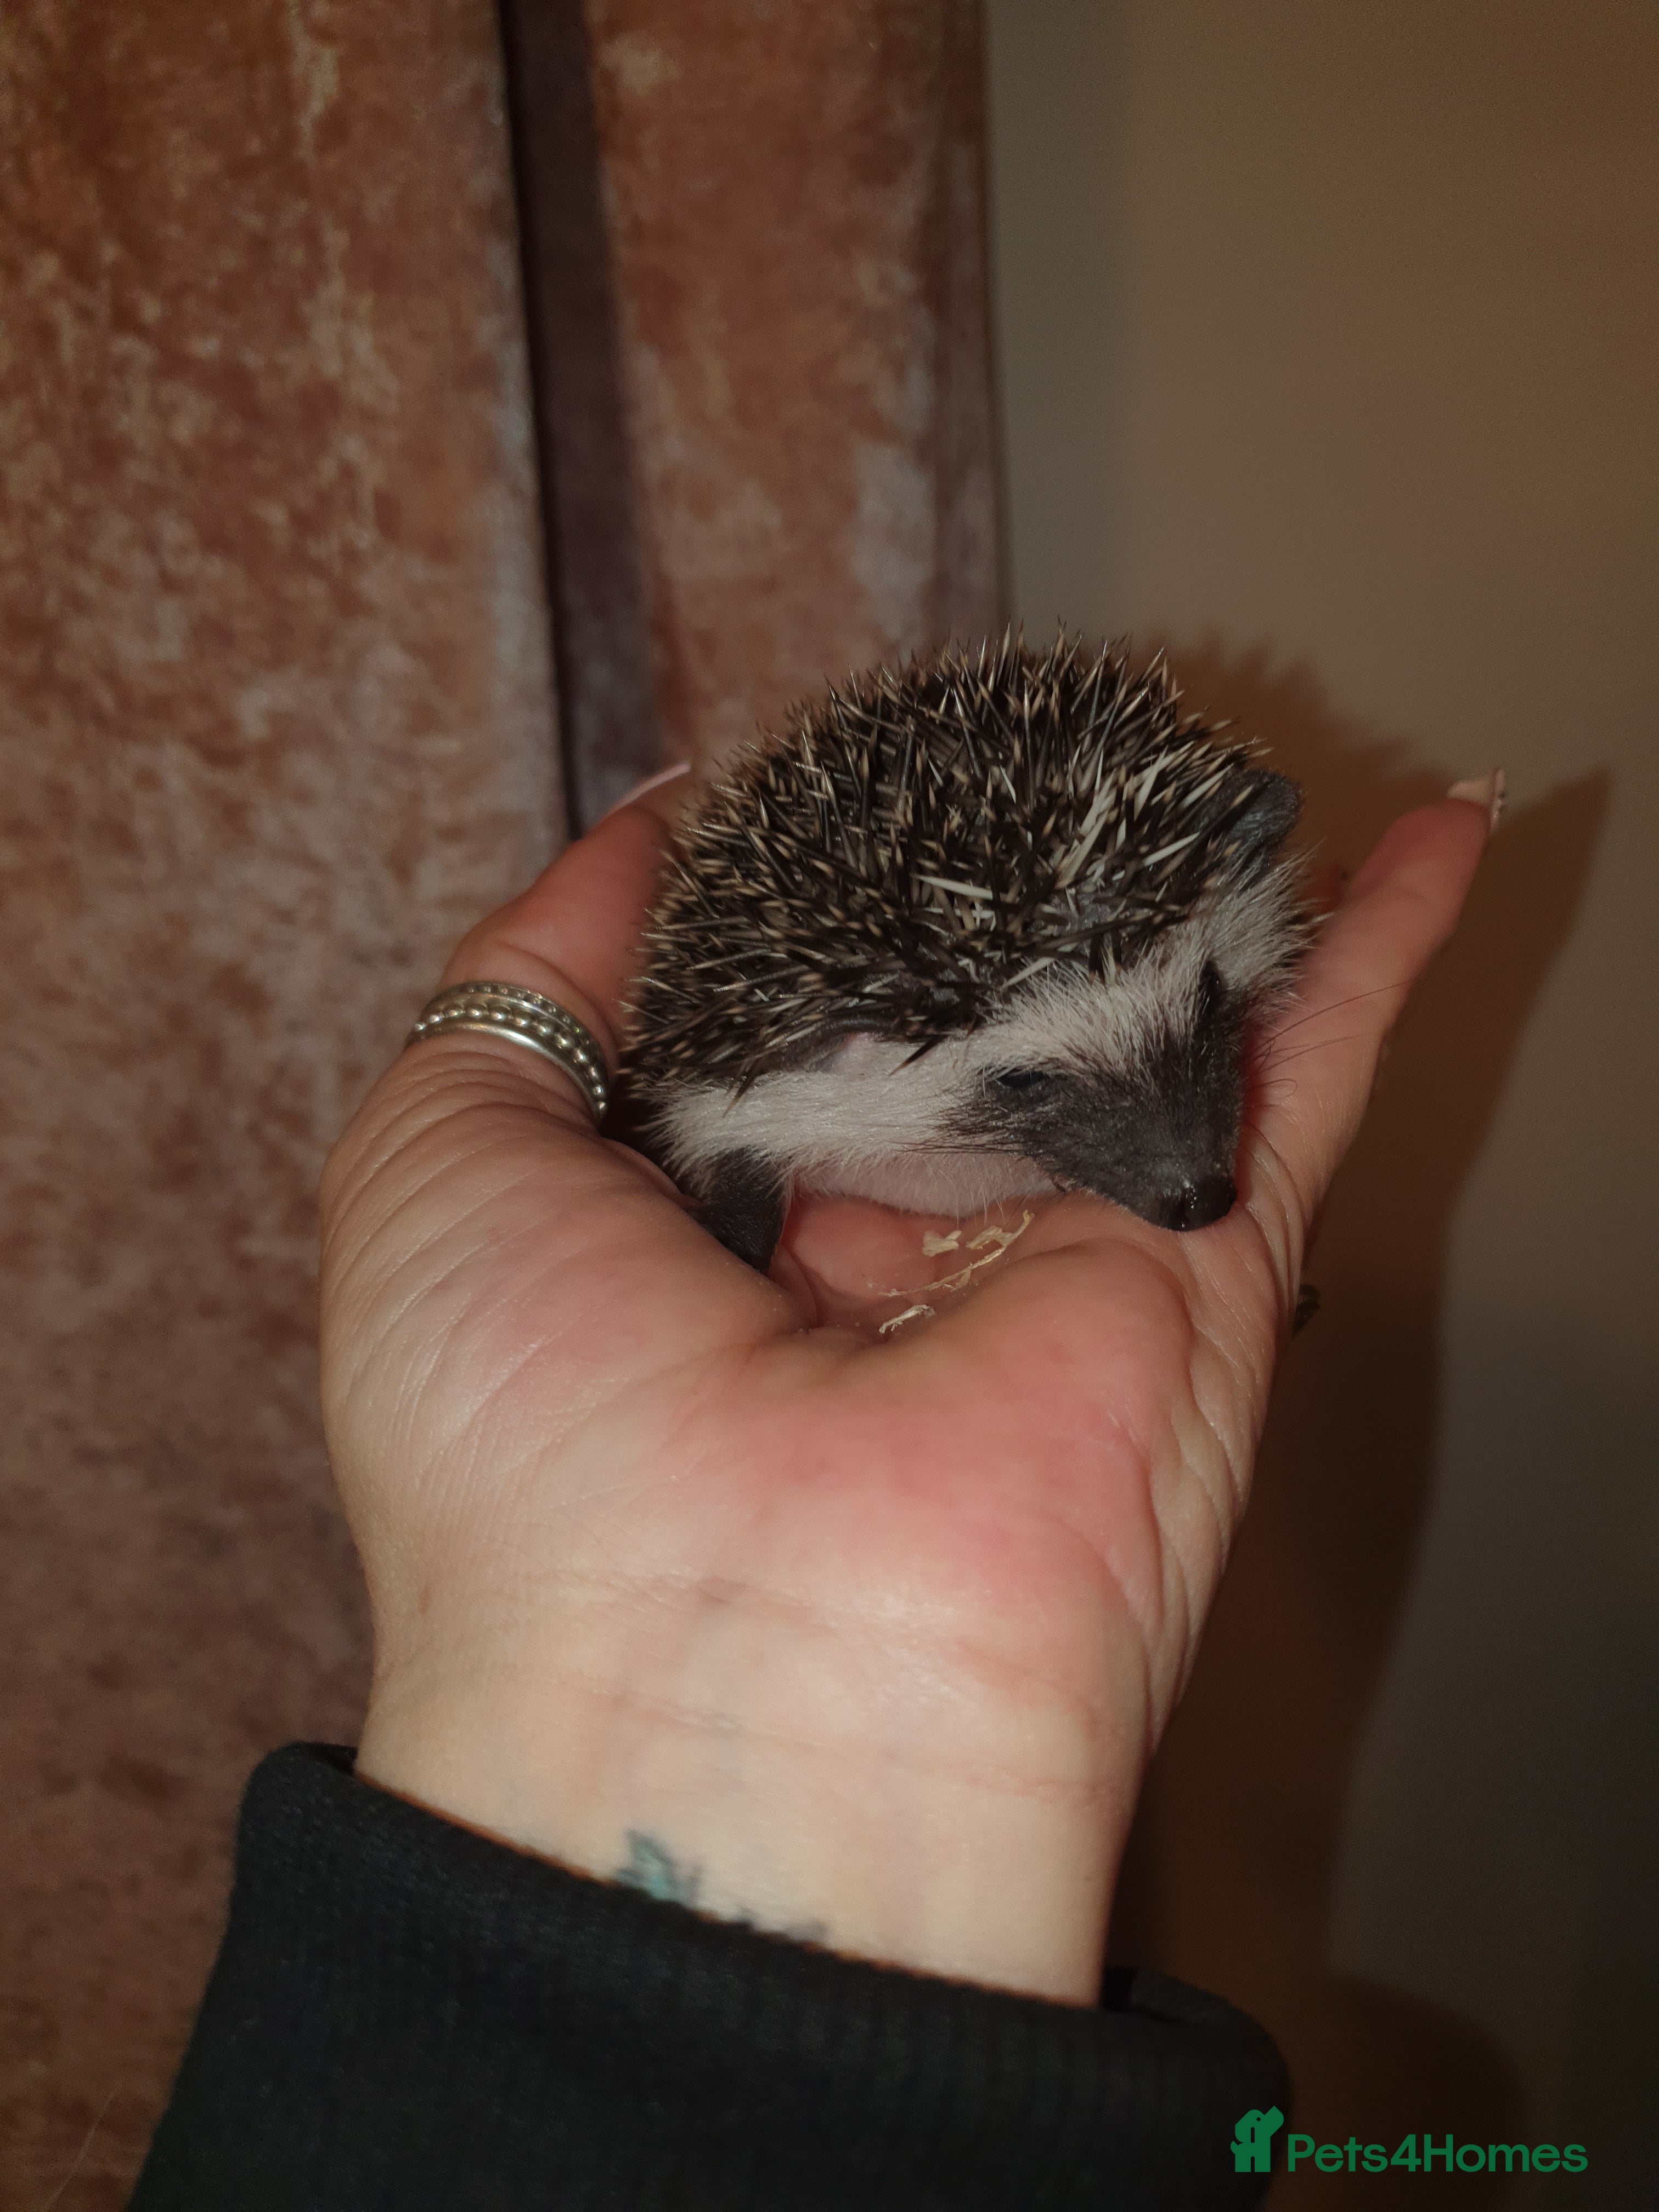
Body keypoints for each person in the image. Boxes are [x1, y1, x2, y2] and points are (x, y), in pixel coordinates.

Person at [131, 767, 1498, 2209]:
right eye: (1033, 1084)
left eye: (1203, 1013)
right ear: (846, 1050)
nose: (1193, 1176)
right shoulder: (769, 1092)